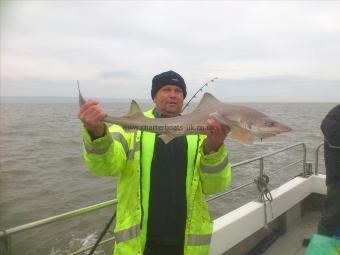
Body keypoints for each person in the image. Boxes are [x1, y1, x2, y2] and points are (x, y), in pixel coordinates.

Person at [79, 70, 232, 255]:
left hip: (186, 244)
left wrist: (214, 148)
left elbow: (215, 187)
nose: (173, 94)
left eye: (178, 90)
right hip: (140, 244)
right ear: (154, 96)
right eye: (166, 89)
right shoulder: (127, 128)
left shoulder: (203, 132)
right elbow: (105, 167)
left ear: (184, 97)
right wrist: (97, 132)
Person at [318, 104, 340, 237]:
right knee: (333, 211)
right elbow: (329, 130)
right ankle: (323, 243)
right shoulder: (335, 114)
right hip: (338, 175)